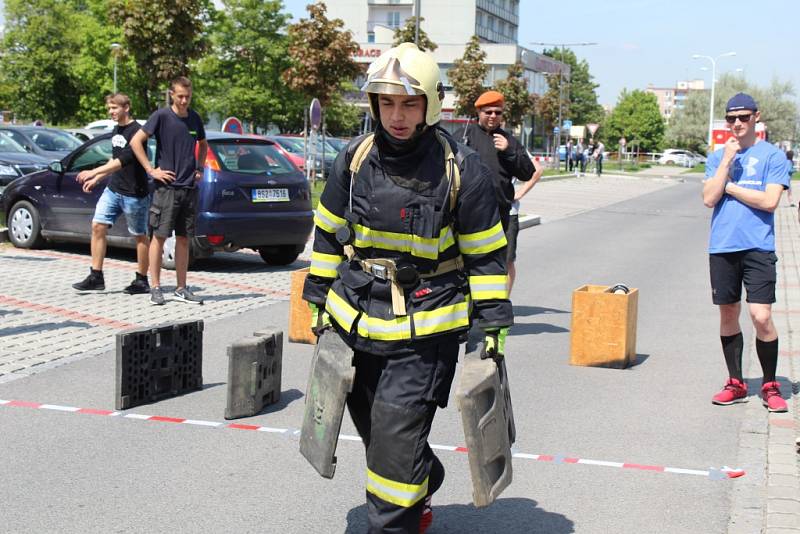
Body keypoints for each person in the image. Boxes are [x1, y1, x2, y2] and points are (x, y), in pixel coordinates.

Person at [302, 43, 513, 533]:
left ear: (430, 105)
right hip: (356, 320)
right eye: (387, 102)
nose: (397, 116)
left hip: (425, 331)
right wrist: (316, 296)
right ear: (374, 105)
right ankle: (420, 472)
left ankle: (395, 519)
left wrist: (492, 326)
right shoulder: (353, 160)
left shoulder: (462, 171)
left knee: (394, 452)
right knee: (380, 434)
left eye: (409, 103)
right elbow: (330, 233)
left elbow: (486, 257)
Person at [702, 93, 790, 413]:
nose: (737, 123)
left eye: (743, 117)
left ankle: (769, 384)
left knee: (761, 316)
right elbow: (709, 198)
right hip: (723, 245)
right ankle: (736, 382)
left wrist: (730, 187)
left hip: (758, 246)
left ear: (756, 118)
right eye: (731, 118)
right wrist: (726, 162)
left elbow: (769, 202)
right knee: (728, 314)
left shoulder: (773, 156)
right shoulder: (717, 158)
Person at [130, 76, 207, 306]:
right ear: (171, 94)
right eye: (180, 96)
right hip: (167, 189)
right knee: (159, 237)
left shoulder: (194, 119)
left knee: (184, 239)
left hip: (189, 188)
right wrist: (151, 170)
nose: (184, 101)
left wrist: (200, 167)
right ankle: (155, 287)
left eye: (188, 97)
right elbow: (136, 142)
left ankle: (181, 288)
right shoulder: (161, 116)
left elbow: (203, 144)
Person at [454, 90, 536, 296]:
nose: (493, 116)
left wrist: (509, 151)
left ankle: (497, 308)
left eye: (497, 112)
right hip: (467, 215)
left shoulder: (509, 140)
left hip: (501, 217)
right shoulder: (464, 136)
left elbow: (528, 172)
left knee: (501, 264)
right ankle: (468, 308)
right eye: (488, 111)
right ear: (479, 113)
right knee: (463, 264)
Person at [72, 93, 150, 294]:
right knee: (98, 226)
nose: (111, 112)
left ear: (126, 107)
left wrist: (93, 171)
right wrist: (97, 179)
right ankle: (96, 276)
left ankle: (142, 280)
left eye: (114, 108)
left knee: (140, 236)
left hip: (134, 193)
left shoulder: (137, 132)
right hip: (114, 189)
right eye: (109, 108)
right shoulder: (118, 130)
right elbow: (113, 160)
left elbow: (124, 160)